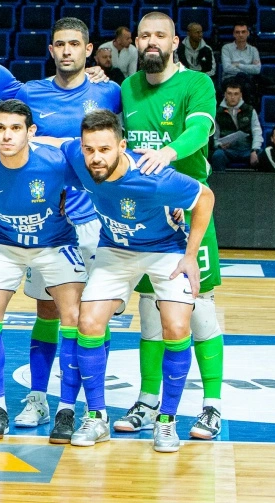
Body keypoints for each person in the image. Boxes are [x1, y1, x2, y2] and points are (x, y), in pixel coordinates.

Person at [57, 109, 214, 453]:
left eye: (104, 149)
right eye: (89, 149)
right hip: (116, 249)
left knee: (175, 327)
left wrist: (190, 255)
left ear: (122, 146)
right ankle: (96, 417)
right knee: (88, 321)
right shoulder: (79, 157)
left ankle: (167, 421)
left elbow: (205, 198)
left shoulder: (153, 175)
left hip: (164, 249)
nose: (96, 157)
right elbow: (52, 143)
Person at [11, 17, 121, 437]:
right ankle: (38, 397)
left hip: (93, 221)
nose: (67, 51)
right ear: (51, 50)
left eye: (75, 44)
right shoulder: (29, 93)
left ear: (89, 50)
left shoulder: (108, 91)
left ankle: (80, 406)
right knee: (47, 310)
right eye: (60, 44)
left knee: (90, 317)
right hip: (47, 222)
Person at [117, 12, 225, 441]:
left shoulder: (197, 84)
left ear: (175, 41)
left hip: (190, 209)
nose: (152, 42)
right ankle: (148, 399)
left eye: (160, 35)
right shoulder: (127, 88)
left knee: (197, 308)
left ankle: (212, 405)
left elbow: (199, 129)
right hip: (144, 217)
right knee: (149, 312)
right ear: (136, 43)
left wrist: (168, 151)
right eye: (144, 36)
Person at [0, 99, 87, 441]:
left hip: (55, 242)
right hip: (5, 241)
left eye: (16, 128)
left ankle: (66, 410)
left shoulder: (55, 161)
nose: (7, 135)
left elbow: (100, 177)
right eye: (0, 128)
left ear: (31, 132)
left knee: (73, 318)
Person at [211, 81, 262, 170]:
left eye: (236, 94)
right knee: (217, 155)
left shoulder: (250, 110)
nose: (232, 97)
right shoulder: (217, 112)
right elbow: (215, 136)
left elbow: (257, 131)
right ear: (225, 95)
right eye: (229, 94)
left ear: (240, 95)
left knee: (261, 155)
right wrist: (219, 145)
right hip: (228, 150)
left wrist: (254, 150)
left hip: (247, 149)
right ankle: (220, 183)